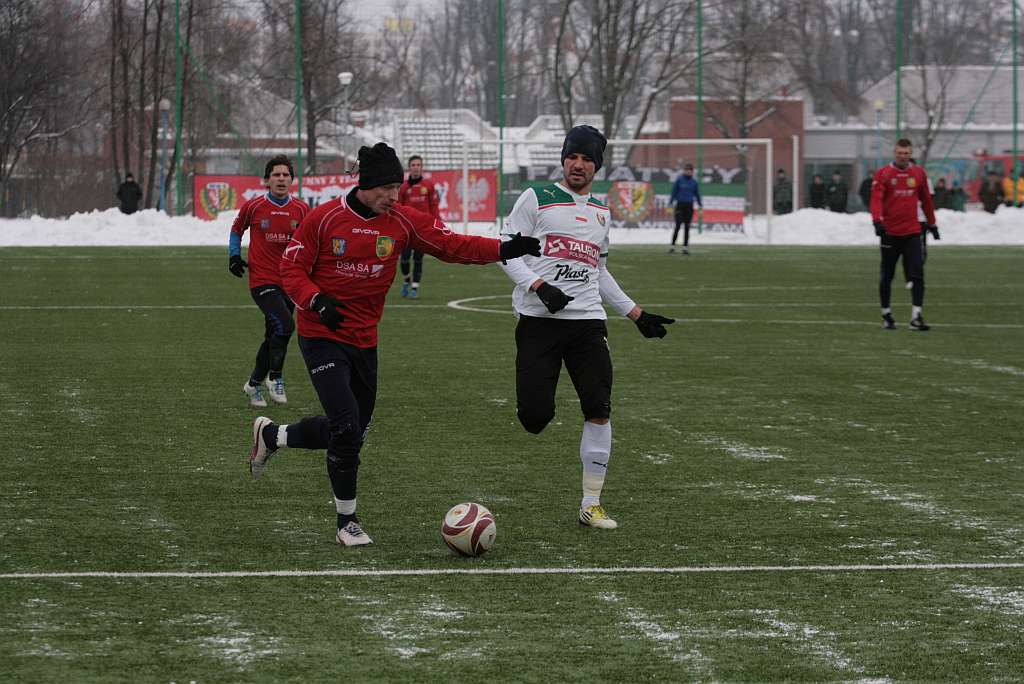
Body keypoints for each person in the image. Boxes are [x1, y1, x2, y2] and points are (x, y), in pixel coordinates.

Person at [247, 142, 540, 546]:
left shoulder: (402, 221)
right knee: (347, 426)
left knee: (350, 432)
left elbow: (451, 244)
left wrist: (505, 249)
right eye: (385, 187)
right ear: (365, 184)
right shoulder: (323, 219)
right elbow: (291, 269)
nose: (393, 195)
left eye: (396, 187)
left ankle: (272, 437)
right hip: (321, 337)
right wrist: (316, 300)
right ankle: (346, 523)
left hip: (365, 341)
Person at [498, 125, 675, 530]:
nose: (578, 165)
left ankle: (591, 504)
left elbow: (599, 270)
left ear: (597, 165)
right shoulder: (536, 198)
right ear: (563, 159)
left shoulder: (600, 211)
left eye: (587, 159)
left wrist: (637, 314)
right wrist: (539, 287)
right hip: (538, 322)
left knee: (599, 409)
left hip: (588, 323)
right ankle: (538, 409)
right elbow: (506, 252)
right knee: (534, 417)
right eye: (572, 157)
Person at [228, 156, 310, 407]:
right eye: (276, 175)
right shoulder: (254, 207)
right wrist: (233, 255)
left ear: (292, 180)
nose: (281, 179)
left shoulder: (302, 209)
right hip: (262, 280)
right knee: (285, 326)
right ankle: (275, 377)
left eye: (286, 175)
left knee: (273, 334)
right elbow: (236, 229)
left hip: (291, 281)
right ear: (267, 180)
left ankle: (253, 384)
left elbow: (310, 242)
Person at [871, 138, 938, 331]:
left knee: (917, 273)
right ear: (895, 153)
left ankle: (916, 316)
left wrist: (932, 224)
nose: (903, 157)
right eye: (900, 153)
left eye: (906, 153)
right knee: (887, 275)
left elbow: (926, 200)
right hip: (890, 233)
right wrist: (877, 221)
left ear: (911, 154)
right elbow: (876, 199)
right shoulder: (884, 174)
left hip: (912, 232)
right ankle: (886, 314)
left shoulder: (918, 173)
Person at [396, 155, 439, 298]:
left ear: (422, 167)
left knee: (418, 259)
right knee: (404, 259)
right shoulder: (403, 187)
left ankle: (414, 288)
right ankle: (407, 280)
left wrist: (436, 224)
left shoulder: (429, 185)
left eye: (418, 165)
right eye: (413, 165)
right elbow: (398, 207)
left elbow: (434, 206)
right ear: (409, 168)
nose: (416, 167)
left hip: (423, 230)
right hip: (407, 230)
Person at [668, 162, 702, 254]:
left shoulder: (694, 182)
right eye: (686, 170)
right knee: (678, 226)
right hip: (680, 205)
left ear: (692, 172)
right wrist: (670, 204)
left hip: (689, 206)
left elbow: (697, 194)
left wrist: (700, 206)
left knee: (687, 227)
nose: (688, 172)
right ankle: (672, 246)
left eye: (690, 171)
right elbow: (674, 192)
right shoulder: (679, 180)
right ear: (684, 171)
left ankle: (685, 248)